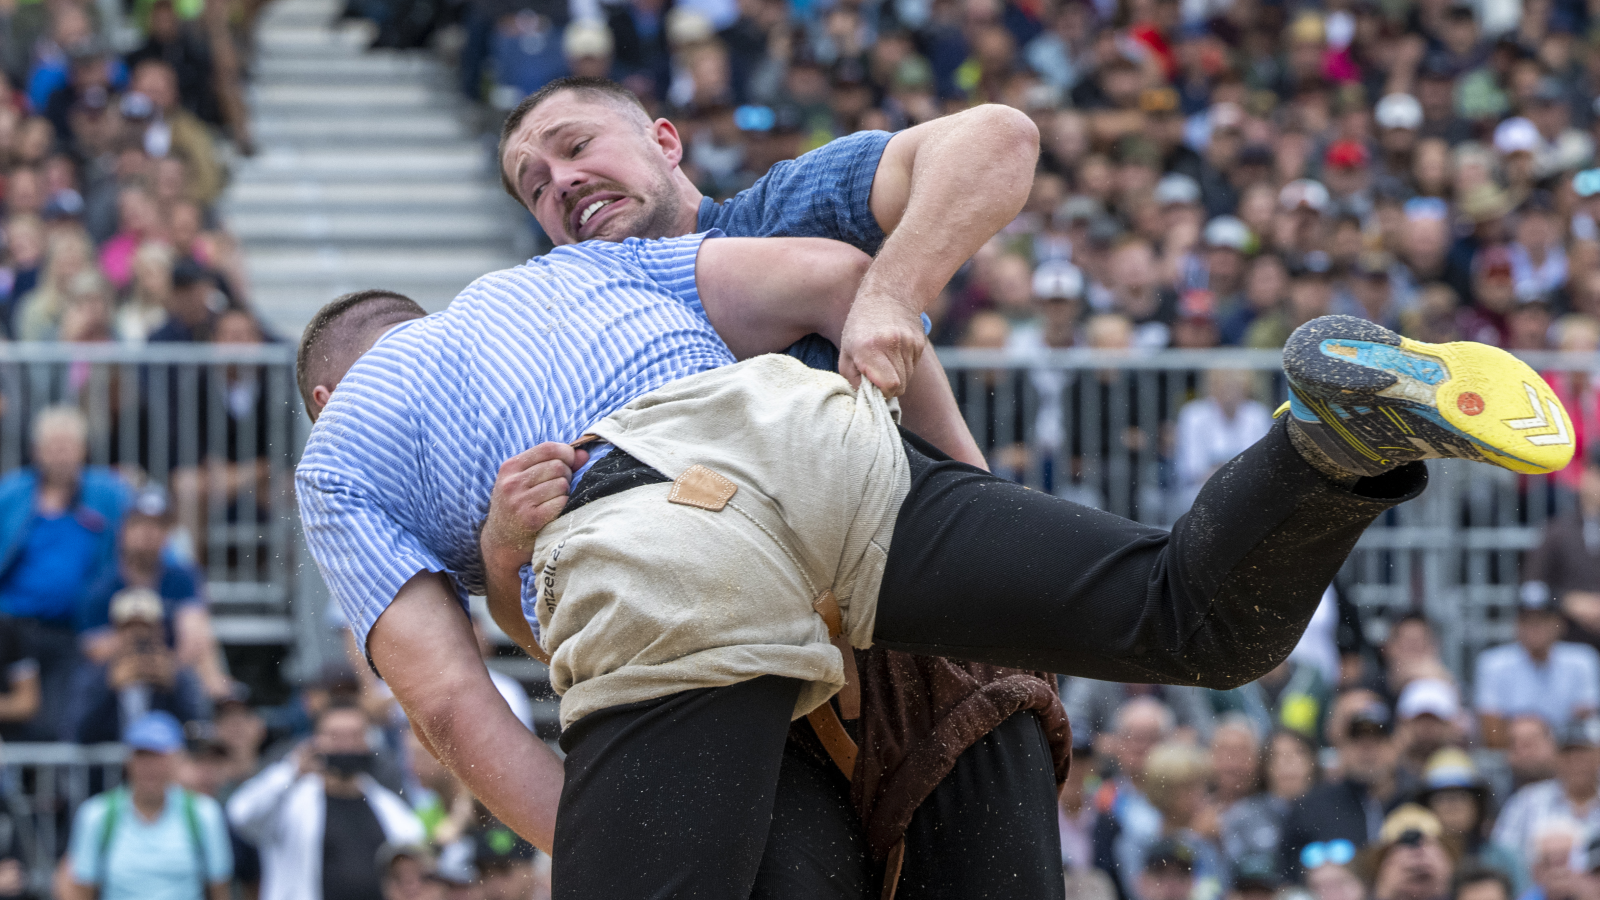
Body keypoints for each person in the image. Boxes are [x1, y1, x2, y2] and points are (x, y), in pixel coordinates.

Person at [297, 115, 1575, 900]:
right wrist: (959, 501)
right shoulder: (588, 279)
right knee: (1196, 619)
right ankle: (1328, 442)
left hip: (692, 564)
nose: (557, 183)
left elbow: (461, 713)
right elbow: (841, 280)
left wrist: (617, 838)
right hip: (837, 491)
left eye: (573, 147)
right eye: (534, 177)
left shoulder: (354, 445)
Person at [0, 405, 129, 739]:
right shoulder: (12, 494)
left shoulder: (109, 495)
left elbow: (145, 536)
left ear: (83, 451)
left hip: (73, 630)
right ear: (36, 452)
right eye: (52, 446)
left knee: (60, 720)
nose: (59, 455)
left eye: (67, 446)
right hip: (10, 629)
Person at [227, 700, 426, 900]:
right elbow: (241, 814)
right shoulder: (293, 799)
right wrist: (291, 771)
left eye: (355, 736)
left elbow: (415, 847)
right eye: (336, 736)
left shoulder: (386, 805)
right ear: (316, 741)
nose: (347, 745)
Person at [60, 711, 233, 900]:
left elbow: (220, 889)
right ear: (128, 761)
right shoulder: (97, 814)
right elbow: (81, 890)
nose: (150, 766)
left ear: (177, 760)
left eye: (159, 757)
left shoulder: (204, 813)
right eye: (142, 756)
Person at [1281, 699, 1412, 878]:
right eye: (1357, 740)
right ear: (1341, 747)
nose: (1367, 749)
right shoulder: (1310, 808)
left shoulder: (1418, 801)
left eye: (1378, 739)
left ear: (1396, 745)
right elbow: (1289, 879)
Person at [67, 586, 212, 743]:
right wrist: (109, 688)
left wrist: (173, 688)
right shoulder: (93, 676)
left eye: (146, 626)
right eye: (129, 627)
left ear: (160, 630)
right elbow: (78, 734)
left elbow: (198, 733)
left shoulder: (179, 674)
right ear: (115, 632)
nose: (138, 634)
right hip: (110, 767)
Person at [1475, 592, 1600, 746]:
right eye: (1526, 620)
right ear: (1516, 624)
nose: (1534, 627)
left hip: (1566, 754)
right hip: (1516, 754)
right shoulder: (1493, 662)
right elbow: (1491, 733)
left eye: (1543, 619)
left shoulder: (1582, 658)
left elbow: (1585, 723)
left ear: (1560, 623)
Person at [1491, 718, 1600, 880]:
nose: (1576, 762)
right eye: (1567, 754)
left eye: (1583, 753)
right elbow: (1501, 856)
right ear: (1555, 757)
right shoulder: (1526, 801)